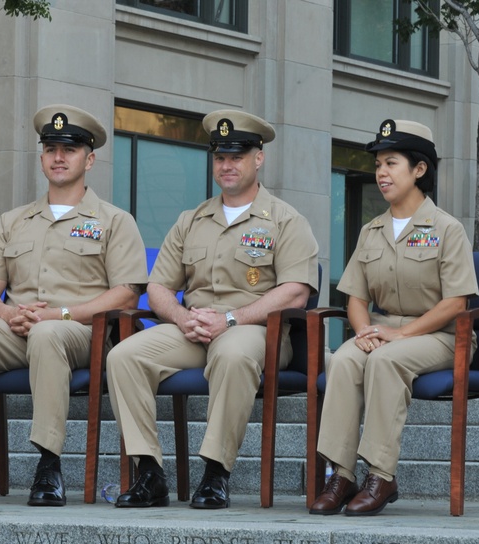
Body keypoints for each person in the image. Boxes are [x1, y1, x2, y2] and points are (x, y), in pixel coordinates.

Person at [0, 104, 147, 507]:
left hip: (82, 332)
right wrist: (7, 313)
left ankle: (49, 465)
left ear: (89, 160)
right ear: (42, 158)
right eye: (51, 149)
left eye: (70, 149)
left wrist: (58, 314)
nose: (59, 157)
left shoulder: (114, 221)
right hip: (17, 328)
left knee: (47, 333)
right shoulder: (13, 221)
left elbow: (127, 294)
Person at [105, 110, 319, 510]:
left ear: (259, 158)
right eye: (220, 157)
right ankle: (149, 472)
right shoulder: (191, 220)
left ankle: (216, 473)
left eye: (237, 156)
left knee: (233, 355)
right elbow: (158, 287)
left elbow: (295, 293)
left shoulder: (286, 220)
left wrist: (231, 319)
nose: (227, 165)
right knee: (123, 356)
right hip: (194, 328)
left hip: (256, 330)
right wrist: (182, 317)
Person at [309, 119, 479, 517]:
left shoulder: (447, 229)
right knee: (343, 359)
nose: (381, 173)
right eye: (378, 165)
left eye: (391, 163)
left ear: (419, 169)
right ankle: (341, 475)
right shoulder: (371, 231)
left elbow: (456, 303)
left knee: (385, 361)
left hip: (441, 335)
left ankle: (381, 475)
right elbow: (355, 297)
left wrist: (398, 335)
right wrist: (365, 331)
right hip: (383, 330)